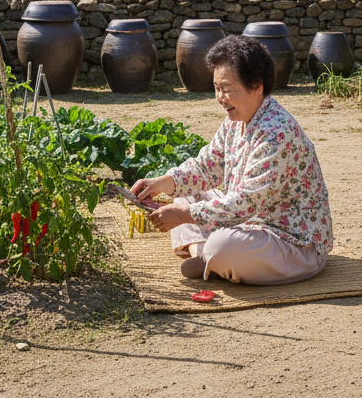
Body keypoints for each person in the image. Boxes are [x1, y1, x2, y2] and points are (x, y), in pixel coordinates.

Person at [130, 34, 333, 285]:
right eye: (217, 88)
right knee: (183, 195)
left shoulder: (278, 134)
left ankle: (208, 254)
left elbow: (245, 203)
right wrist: (165, 182)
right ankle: (203, 255)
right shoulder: (235, 121)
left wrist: (185, 215)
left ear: (257, 86)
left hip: (293, 243)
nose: (220, 97)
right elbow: (207, 166)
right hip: (251, 222)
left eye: (226, 88)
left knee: (221, 245)